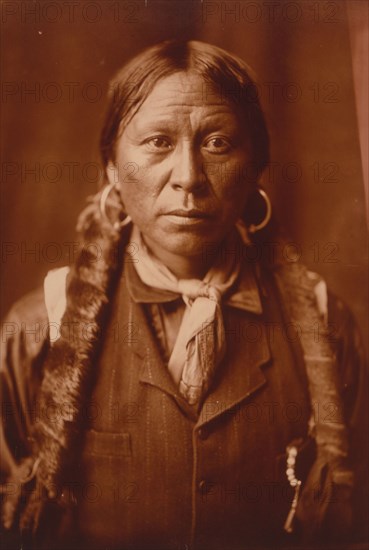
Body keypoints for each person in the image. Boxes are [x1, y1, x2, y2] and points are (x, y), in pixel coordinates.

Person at [0, 40, 367, 550]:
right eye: (156, 142)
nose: (189, 178)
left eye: (218, 144)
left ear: (255, 166)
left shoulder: (323, 328)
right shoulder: (41, 328)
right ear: (111, 166)